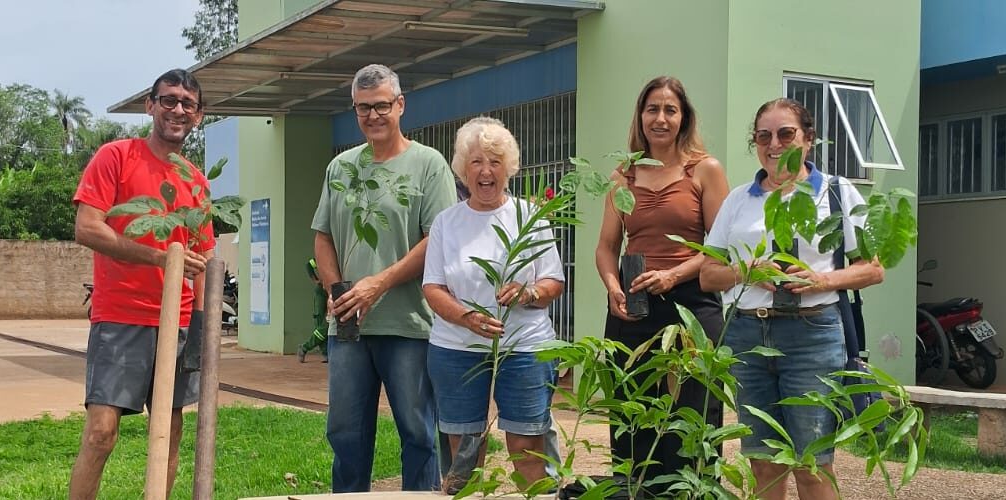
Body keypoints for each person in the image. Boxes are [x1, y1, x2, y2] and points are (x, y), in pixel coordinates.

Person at [698, 98, 885, 500]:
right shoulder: (738, 200)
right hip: (748, 335)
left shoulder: (837, 193)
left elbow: (873, 268)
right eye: (764, 136)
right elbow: (708, 274)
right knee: (763, 462)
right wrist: (749, 272)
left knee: (812, 464)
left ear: (809, 139)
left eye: (786, 134)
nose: (775, 145)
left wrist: (822, 279)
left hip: (812, 334)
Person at [311, 64, 458, 493]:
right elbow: (322, 236)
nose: (373, 116)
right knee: (345, 433)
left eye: (381, 106)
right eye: (362, 108)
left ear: (400, 105)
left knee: (416, 432)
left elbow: (437, 240)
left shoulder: (428, 165)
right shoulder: (340, 168)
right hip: (349, 326)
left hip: (408, 325)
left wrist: (378, 283)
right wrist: (336, 288)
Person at [68, 69, 213, 499]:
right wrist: (160, 258)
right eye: (168, 100)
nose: (177, 110)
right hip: (121, 317)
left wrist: (201, 330)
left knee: (167, 433)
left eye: (187, 103)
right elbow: (87, 228)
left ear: (199, 116)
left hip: (180, 324)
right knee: (100, 433)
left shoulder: (196, 183)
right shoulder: (116, 157)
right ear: (150, 106)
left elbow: (201, 261)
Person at [594, 76, 730, 485]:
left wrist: (673, 274)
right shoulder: (623, 175)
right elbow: (605, 247)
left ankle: (693, 491)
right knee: (631, 410)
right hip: (632, 300)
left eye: (670, 110)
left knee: (692, 409)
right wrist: (613, 287)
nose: (661, 118)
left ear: (684, 117)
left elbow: (719, 249)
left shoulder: (705, 170)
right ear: (640, 116)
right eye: (652, 109)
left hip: (691, 302)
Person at [421, 117, 564, 490]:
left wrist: (528, 293)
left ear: (509, 169)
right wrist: (467, 317)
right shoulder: (445, 223)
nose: (486, 171)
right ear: (462, 170)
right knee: (465, 449)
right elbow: (433, 287)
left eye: (495, 162)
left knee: (527, 444)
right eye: (476, 162)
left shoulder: (530, 218)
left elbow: (554, 281)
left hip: (524, 346)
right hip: (457, 347)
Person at [298, 258, 328, 363]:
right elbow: (309, 265)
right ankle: (325, 353)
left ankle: (305, 347)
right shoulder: (324, 256)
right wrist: (316, 280)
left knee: (327, 323)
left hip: (333, 292)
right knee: (320, 321)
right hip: (321, 292)